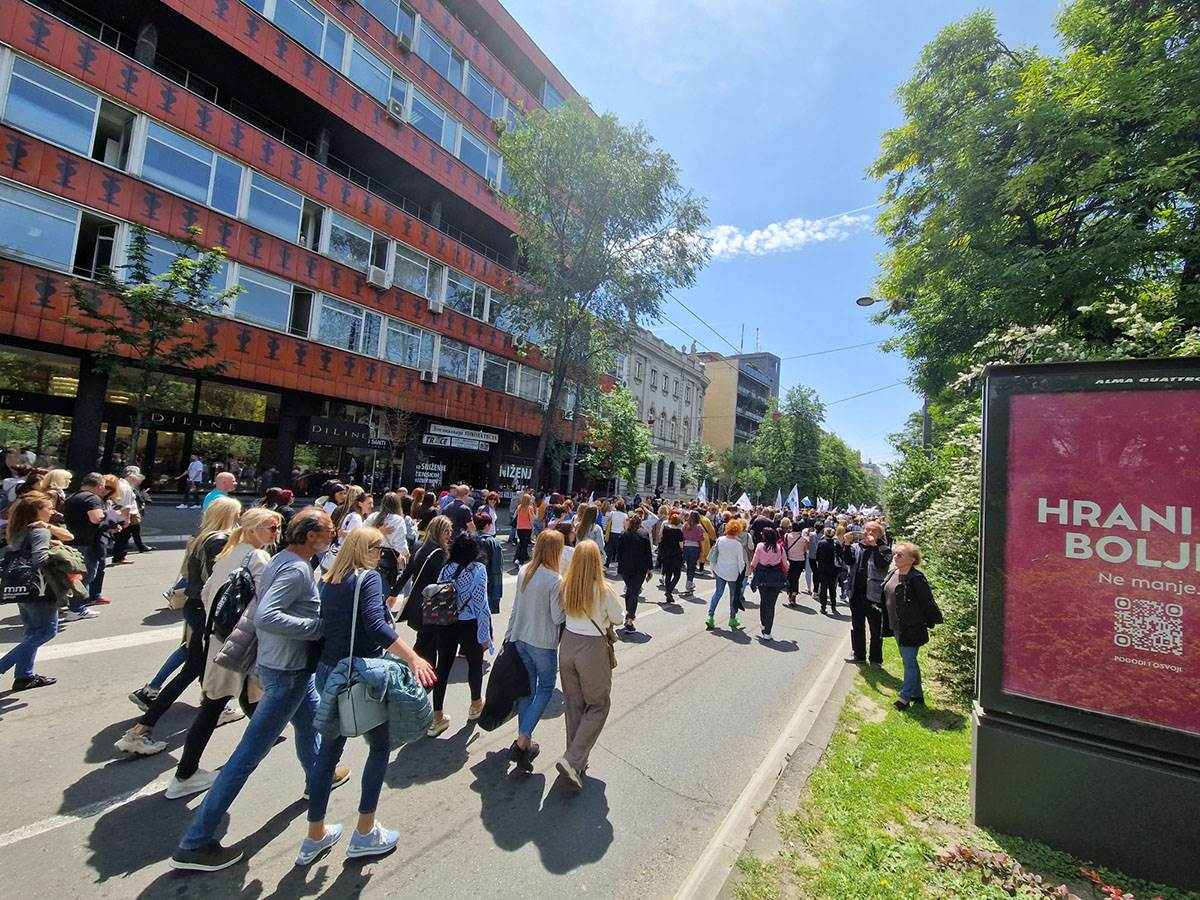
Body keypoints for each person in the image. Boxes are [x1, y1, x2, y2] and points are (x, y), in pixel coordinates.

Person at [171, 508, 341, 873]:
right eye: (329, 529)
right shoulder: (295, 568)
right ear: (311, 536)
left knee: (311, 724)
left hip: (285, 666)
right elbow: (268, 615)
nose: (334, 533)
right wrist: (318, 627)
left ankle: (317, 780)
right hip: (286, 671)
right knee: (246, 757)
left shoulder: (284, 558)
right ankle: (196, 841)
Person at [297, 527, 436, 865]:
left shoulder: (329, 579)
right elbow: (376, 625)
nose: (383, 553)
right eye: (379, 547)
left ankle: (314, 836)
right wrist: (413, 657)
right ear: (367, 549)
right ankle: (365, 831)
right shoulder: (368, 579)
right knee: (379, 747)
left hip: (330, 672)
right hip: (362, 674)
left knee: (327, 755)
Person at [165, 507, 284, 799]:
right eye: (271, 528)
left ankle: (196, 771)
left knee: (240, 703)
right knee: (217, 708)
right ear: (253, 529)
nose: (277, 533)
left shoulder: (229, 554)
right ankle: (186, 774)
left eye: (278, 527)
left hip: (219, 642)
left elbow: (207, 594)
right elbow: (267, 604)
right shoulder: (257, 558)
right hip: (242, 644)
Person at [116, 497, 242, 755]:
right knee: (197, 667)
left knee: (198, 665)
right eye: (238, 514)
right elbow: (218, 581)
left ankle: (147, 726)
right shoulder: (218, 540)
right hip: (205, 610)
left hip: (196, 606)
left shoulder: (202, 537)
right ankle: (142, 729)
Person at [556, 541, 622, 791]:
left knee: (574, 705)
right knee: (598, 704)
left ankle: (575, 759)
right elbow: (617, 617)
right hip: (592, 648)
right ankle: (573, 760)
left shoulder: (566, 585)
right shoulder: (604, 590)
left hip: (569, 643)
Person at [504, 529, 565, 772]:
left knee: (527, 691)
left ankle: (525, 743)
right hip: (542, 642)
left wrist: (509, 635)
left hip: (520, 637)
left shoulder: (524, 570)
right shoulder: (554, 579)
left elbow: (516, 607)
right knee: (546, 688)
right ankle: (522, 741)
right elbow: (557, 615)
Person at [425, 533, 492, 737]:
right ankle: (475, 705)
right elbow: (481, 604)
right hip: (468, 622)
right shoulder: (478, 569)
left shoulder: (447, 567)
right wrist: (485, 634)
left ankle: (437, 717)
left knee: (443, 667)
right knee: (474, 664)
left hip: (445, 621)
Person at [0, 493, 65, 690]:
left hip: (21, 589)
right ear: (36, 511)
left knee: (32, 632)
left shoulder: (18, 530)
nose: (51, 511)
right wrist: (56, 549)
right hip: (40, 589)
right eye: (48, 508)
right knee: (46, 632)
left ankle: (24, 676)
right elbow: (40, 560)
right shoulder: (39, 531)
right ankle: (4, 666)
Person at [884, 542, 943, 711]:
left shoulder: (916, 579)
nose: (895, 556)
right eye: (895, 553)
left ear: (912, 559)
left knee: (909, 662)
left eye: (900, 555)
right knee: (909, 661)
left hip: (911, 627)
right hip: (896, 625)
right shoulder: (893, 573)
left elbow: (927, 603)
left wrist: (930, 622)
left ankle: (904, 697)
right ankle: (918, 696)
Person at [395, 514, 452, 658]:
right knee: (427, 646)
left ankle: (419, 671)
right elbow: (441, 581)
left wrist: (393, 593)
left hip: (416, 603)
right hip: (431, 606)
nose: (449, 535)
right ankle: (420, 673)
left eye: (450, 531)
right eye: (446, 531)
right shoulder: (439, 554)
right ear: (438, 531)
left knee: (424, 641)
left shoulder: (419, 546)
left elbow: (407, 574)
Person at [841, 521, 892, 667]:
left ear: (879, 534)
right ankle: (858, 654)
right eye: (866, 530)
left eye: (873, 531)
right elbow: (848, 561)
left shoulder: (884, 549)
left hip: (874, 595)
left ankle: (876, 659)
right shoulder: (857, 547)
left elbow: (881, 564)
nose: (868, 533)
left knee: (875, 629)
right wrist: (846, 544)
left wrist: (874, 547)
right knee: (857, 625)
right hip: (856, 593)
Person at [61, 472, 109, 619]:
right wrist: (112, 517)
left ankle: (75, 605)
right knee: (86, 575)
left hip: (72, 540)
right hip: (87, 542)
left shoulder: (72, 497)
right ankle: (76, 608)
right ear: (99, 485)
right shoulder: (92, 498)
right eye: (103, 486)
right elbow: (96, 518)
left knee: (77, 575)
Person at [706, 518, 747, 630]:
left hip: (720, 570)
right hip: (733, 574)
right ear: (738, 530)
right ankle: (732, 619)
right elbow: (740, 562)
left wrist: (713, 569)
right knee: (733, 596)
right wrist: (742, 572)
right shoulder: (738, 545)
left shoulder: (720, 540)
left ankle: (710, 616)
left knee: (718, 593)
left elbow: (715, 555)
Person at [748, 526, 788, 641]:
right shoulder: (779, 547)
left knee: (763, 600)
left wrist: (753, 572)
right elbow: (785, 564)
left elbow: (754, 563)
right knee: (771, 605)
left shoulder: (760, 546)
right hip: (775, 577)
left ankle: (763, 623)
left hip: (762, 576)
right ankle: (767, 631)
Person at [616, 512, 652, 633]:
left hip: (626, 567)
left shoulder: (623, 534)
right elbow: (648, 553)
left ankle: (628, 613)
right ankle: (630, 618)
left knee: (630, 590)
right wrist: (650, 568)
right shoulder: (644, 534)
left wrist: (619, 567)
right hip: (640, 567)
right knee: (634, 592)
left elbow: (619, 553)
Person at [475, 512, 505, 614]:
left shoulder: (469, 539)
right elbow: (497, 568)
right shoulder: (493, 542)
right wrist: (497, 594)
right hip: (489, 582)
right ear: (487, 525)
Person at [657, 511, 684, 604]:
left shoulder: (665, 528)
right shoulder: (679, 532)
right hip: (676, 555)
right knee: (677, 575)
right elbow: (681, 545)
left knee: (668, 574)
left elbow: (660, 537)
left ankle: (668, 593)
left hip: (666, 554)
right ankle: (669, 591)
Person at [814, 527, 840, 614]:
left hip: (823, 567)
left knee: (823, 588)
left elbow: (817, 556)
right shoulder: (837, 544)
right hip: (834, 568)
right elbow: (841, 556)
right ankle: (833, 605)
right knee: (833, 588)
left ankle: (823, 607)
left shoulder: (821, 543)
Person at [783, 521, 808, 605]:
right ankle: (793, 594)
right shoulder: (803, 539)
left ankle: (790, 592)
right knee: (796, 578)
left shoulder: (786, 536)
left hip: (789, 559)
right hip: (800, 560)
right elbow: (805, 550)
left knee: (789, 577)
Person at [680, 511, 705, 594]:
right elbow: (701, 540)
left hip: (686, 547)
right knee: (692, 567)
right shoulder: (699, 527)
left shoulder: (685, 526)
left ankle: (689, 582)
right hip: (695, 547)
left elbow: (682, 537)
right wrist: (702, 550)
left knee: (688, 566)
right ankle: (689, 583)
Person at [604, 499, 627, 567]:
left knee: (610, 550)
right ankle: (620, 565)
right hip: (621, 534)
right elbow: (625, 526)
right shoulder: (625, 515)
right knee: (620, 551)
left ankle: (607, 563)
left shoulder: (612, 513)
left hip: (612, 532)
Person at [513, 492, 534, 565]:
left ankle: (519, 557)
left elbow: (515, 516)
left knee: (521, 543)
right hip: (527, 528)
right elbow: (531, 519)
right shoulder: (530, 508)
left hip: (519, 528)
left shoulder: (519, 507)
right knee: (524, 545)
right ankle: (520, 560)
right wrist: (532, 528)